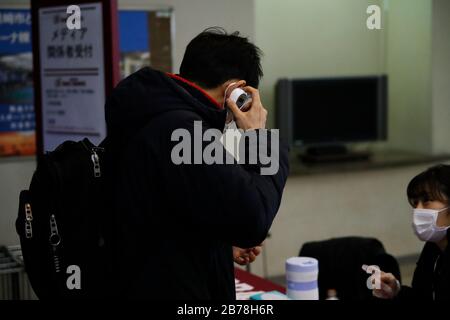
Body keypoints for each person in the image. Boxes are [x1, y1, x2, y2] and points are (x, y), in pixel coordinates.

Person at [104, 27, 289, 299]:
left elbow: (164, 216)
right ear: (237, 90)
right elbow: (254, 218)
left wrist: (217, 247)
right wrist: (259, 137)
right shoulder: (185, 131)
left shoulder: (149, 114)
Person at [372, 164, 450, 300]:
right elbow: (422, 296)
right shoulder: (433, 247)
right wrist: (396, 291)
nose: (418, 210)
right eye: (415, 204)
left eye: (427, 201)